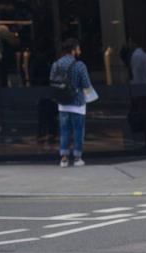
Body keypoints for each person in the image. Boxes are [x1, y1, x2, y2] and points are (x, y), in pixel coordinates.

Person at [50, 38, 92, 167]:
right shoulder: (80, 65)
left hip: (62, 103)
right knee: (78, 130)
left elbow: (52, 80)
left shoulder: (56, 64)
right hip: (77, 102)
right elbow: (86, 84)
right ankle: (78, 158)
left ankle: (64, 158)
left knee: (64, 131)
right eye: (78, 48)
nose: (80, 51)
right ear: (73, 50)